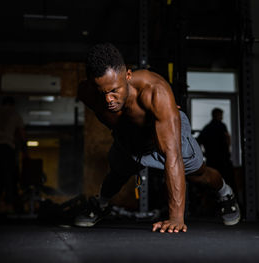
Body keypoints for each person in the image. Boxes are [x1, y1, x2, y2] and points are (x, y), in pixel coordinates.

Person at [75, 43, 240, 233]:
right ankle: (100, 204)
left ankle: (225, 194)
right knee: (117, 173)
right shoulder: (88, 93)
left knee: (199, 174)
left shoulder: (154, 92)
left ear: (128, 76)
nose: (108, 100)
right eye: (102, 93)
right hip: (130, 139)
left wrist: (176, 218)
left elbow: (173, 155)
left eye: (114, 90)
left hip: (164, 132)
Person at [197, 108, 235, 189]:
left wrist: (203, 154)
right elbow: (228, 138)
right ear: (216, 115)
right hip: (223, 160)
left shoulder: (207, 128)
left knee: (212, 185)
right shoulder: (221, 126)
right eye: (221, 115)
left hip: (212, 161)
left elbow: (198, 141)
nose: (222, 117)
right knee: (227, 184)